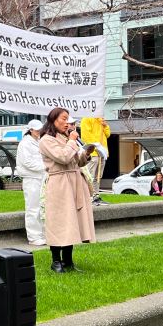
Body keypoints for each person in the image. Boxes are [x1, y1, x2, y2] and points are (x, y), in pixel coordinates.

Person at [39, 108, 96, 273]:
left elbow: (77, 162)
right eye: (63, 119)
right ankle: (56, 261)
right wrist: (72, 141)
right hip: (60, 183)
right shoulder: (46, 140)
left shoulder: (66, 138)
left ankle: (68, 261)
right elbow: (63, 157)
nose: (67, 123)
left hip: (74, 181)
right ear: (53, 119)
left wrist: (86, 154)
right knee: (59, 221)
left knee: (71, 221)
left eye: (68, 119)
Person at [15, 119, 46, 247]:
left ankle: (42, 234)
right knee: (33, 208)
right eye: (37, 129)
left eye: (40, 129)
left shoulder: (38, 141)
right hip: (31, 178)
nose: (39, 131)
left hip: (40, 177)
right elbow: (27, 162)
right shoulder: (25, 144)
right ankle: (34, 237)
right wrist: (46, 167)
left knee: (42, 207)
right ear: (31, 130)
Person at [80, 116, 111, 206]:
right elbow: (86, 136)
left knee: (98, 177)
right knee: (90, 176)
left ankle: (96, 195)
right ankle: (89, 196)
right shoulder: (87, 118)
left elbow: (108, 134)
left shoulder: (100, 120)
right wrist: (97, 147)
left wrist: (105, 126)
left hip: (102, 153)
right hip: (93, 153)